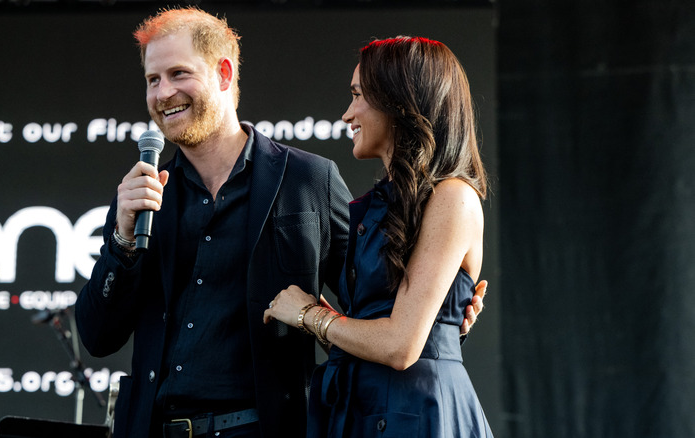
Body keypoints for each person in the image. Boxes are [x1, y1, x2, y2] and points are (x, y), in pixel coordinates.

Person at [76, 7, 487, 438]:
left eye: (178, 73)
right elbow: (98, 337)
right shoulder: (141, 197)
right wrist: (122, 240)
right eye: (152, 80)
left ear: (223, 73)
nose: (163, 93)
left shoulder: (308, 179)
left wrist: (444, 311)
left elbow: (375, 302)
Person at [264, 36, 493, 437]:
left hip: (422, 417)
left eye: (358, 95)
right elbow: (372, 339)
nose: (347, 113)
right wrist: (316, 318)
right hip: (364, 412)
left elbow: (400, 347)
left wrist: (309, 314)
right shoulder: (375, 207)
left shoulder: (453, 196)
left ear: (398, 101)